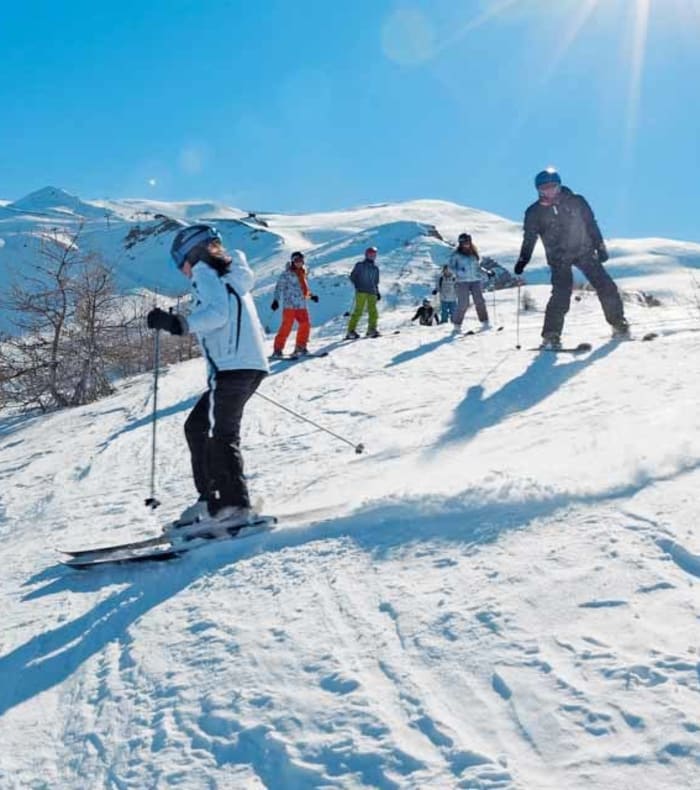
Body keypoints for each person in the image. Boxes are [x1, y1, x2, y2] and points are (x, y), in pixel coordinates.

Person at [146, 224, 269, 527]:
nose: (182, 270)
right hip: (245, 366)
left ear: (192, 252)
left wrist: (177, 324)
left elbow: (217, 315)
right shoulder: (230, 275)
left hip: (232, 368)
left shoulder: (205, 272)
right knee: (199, 427)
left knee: (219, 434)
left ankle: (231, 508)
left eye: (180, 261)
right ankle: (211, 500)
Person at [514, 168, 629, 349]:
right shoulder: (534, 212)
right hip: (558, 258)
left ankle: (618, 324)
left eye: (553, 187)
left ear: (559, 186)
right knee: (561, 294)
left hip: (583, 251)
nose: (549, 192)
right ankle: (551, 335)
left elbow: (591, 224)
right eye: (544, 189)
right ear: (538, 190)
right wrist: (523, 259)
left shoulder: (577, 201)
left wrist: (600, 246)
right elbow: (529, 238)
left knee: (606, 286)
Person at [270, 251, 319, 358]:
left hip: (301, 304)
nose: (299, 263)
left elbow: (303, 290)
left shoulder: (303, 273)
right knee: (286, 327)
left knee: (305, 324)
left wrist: (312, 296)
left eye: (301, 261)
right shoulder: (286, 274)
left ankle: (300, 347)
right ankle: (277, 350)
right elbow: (279, 288)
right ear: (292, 261)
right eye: (297, 261)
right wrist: (276, 300)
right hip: (290, 305)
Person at [448, 233, 492, 332]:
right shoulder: (456, 255)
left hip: (475, 281)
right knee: (463, 303)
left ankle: (485, 322)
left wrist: (486, 273)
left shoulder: (473, 254)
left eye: (468, 242)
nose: (466, 244)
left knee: (480, 301)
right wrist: (459, 271)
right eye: (464, 242)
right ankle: (457, 325)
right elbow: (450, 268)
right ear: (460, 243)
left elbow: (477, 268)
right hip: (462, 282)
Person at [346, 246, 381, 339]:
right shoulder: (360, 265)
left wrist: (377, 292)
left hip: (372, 291)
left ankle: (371, 329)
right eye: (370, 254)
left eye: (374, 255)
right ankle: (351, 331)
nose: (372, 256)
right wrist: (357, 285)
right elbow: (353, 276)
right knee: (358, 311)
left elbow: (376, 281)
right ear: (366, 255)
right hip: (361, 291)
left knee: (373, 311)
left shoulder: (375, 268)